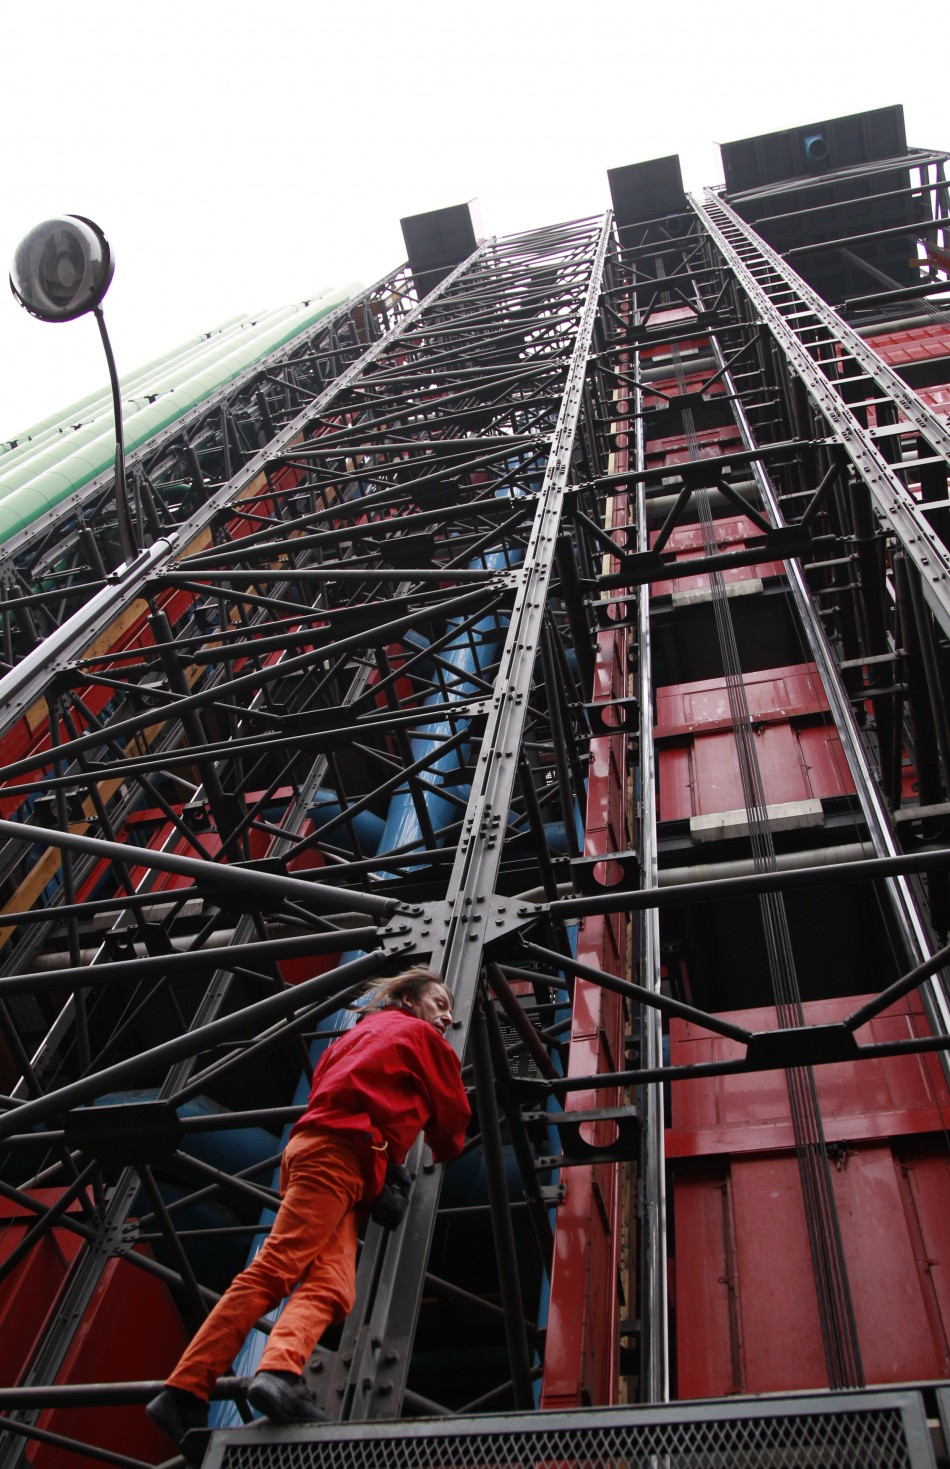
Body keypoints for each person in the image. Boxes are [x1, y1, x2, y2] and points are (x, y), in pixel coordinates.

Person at [147, 967, 470, 1454]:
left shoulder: (354, 1036)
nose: (447, 1016)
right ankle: (185, 1389)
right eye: (439, 1002)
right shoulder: (420, 1037)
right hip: (338, 1157)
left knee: (333, 1286)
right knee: (276, 1267)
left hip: (324, 1154)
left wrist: (384, 1167)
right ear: (408, 1000)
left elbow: (341, 1093)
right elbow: (451, 1127)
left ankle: (278, 1373)